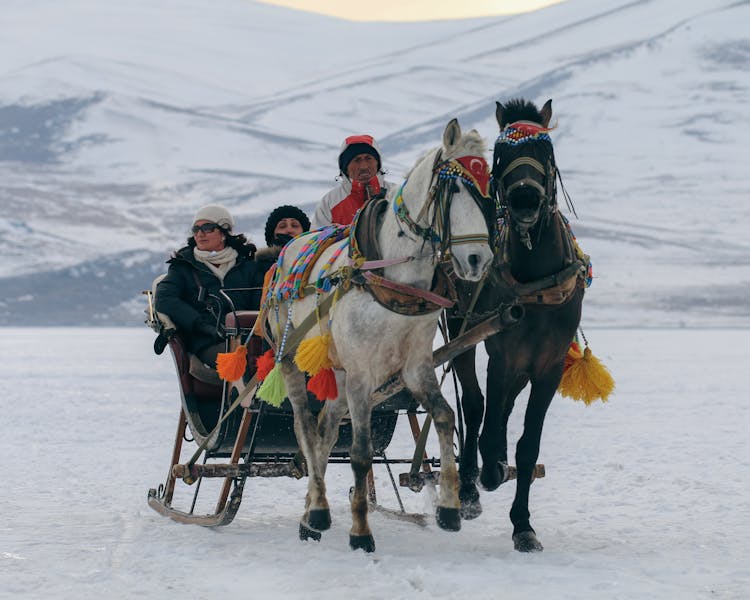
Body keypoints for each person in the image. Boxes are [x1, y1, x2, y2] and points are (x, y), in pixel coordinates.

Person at [155, 204, 263, 368]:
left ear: (224, 231)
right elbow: (164, 299)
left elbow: (261, 302)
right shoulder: (183, 266)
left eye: (207, 228)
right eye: (196, 229)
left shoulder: (249, 265)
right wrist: (201, 325)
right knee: (242, 365)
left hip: (250, 338)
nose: (200, 233)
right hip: (206, 342)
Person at [310, 134, 397, 229]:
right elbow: (315, 240)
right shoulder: (330, 203)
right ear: (345, 168)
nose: (364, 166)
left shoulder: (396, 194)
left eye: (368, 158)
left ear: (378, 163)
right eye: (357, 160)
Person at [255, 204, 311, 276]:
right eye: (282, 226)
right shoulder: (258, 268)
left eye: (294, 225)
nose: (289, 230)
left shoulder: (317, 260)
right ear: (272, 236)